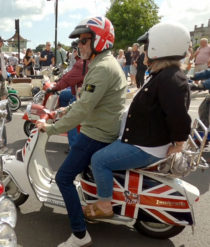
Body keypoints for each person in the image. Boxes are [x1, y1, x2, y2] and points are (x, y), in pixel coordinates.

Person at [85, 22, 191, 223]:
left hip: (146, 146)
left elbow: (178, 116)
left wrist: (179, 144)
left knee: (99, 160)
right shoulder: (163, 74)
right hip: (142, 139)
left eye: (147, 45)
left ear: (161, 46)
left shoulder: (171, 78)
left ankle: (104, 204)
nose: (143, 50)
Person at [36, 16, 126, 247]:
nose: (79, 46)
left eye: (85, 40)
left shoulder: (101, 68)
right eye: (79, 42)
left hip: (96, 133)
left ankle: (79, 234)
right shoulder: (102, 64)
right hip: (101, 127)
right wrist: (62, 110)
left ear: (100, 41)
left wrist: (51, 128)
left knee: (63, 178)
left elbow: (84, 109)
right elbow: (86, 100)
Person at [48, 47, 89, 150]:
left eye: (75, 50)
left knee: (71, 120)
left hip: (82, 94)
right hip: (81, 91)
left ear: (79, 52)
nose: (73, 52)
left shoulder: (81, 64)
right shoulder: (81, 62)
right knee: (63, 95)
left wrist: (55, 87)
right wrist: (60, 79)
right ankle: (62, 116)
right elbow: (69, 75)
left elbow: (68, 79)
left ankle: (73, 146)